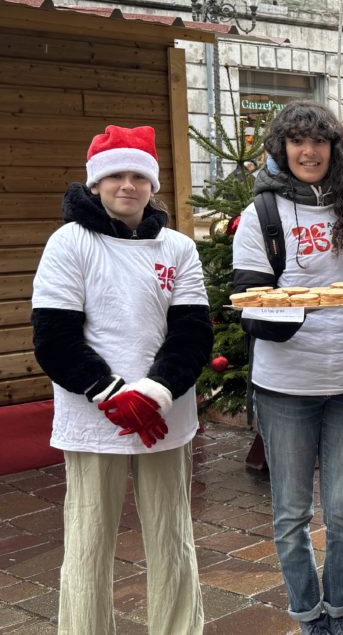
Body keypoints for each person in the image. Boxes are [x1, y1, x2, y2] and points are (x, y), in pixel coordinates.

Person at [31, 125, 211, 634]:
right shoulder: (69, 243)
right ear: (95, 184)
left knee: (172, 536)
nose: (127, 186)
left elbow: (193, 331)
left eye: (139, 175)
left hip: (164, 413)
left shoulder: (178, 248)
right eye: (115, 176)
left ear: (154, 185)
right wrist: (110, 394)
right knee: (88, 542)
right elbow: (55, 338)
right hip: (93, 415)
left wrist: (154, 391)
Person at [232, 101, 343, 635]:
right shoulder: (263, 216)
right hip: (285, 383)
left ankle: (340, 610)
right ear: (283, 148)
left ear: (335, 149)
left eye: (319, 141)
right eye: (297, 141)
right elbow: (246, 302)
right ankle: (307, 614)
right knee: (292, 513)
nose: (309, 150)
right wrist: (297, 308)